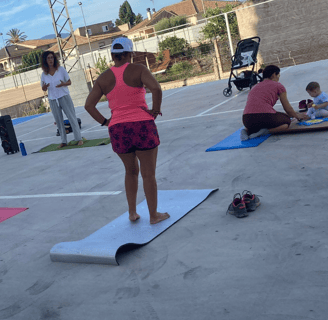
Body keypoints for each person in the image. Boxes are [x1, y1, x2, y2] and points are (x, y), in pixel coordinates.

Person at [84, 37, 170, 225]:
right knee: (148, 174)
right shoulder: (138, 69)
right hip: (141, 125)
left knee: (130, 172)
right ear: (129, 53)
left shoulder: (103, 78)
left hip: (118, 129)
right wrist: (154, 111)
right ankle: (153, 215)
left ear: (113, 55)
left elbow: (89, 105)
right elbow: (156, 88)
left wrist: (107, 122)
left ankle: (132, 213)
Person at [240, 65, 307, 140]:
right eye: (278, 76)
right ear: (274, 75)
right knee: (286, 122)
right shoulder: (278, 86)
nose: (278, 78)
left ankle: (246, 130)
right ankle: (265, 131)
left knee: (260, 121)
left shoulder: (254, 86)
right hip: (265, 117)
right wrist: (297, 116)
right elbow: (287, 108)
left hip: (246, 120)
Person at [40, 51, 84, 148]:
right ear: (45, 61)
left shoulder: (61, 70)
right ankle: (63, 141)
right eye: (48, 58)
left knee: (72, 117)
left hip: (64, 96)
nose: (50, 60)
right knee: (58, 120)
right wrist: (45, 87)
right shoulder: (44, 74)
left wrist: (63, 84)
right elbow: (43, 88)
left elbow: (69, 82)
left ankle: (78, 138)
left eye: (52, 57)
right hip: (52, 99)